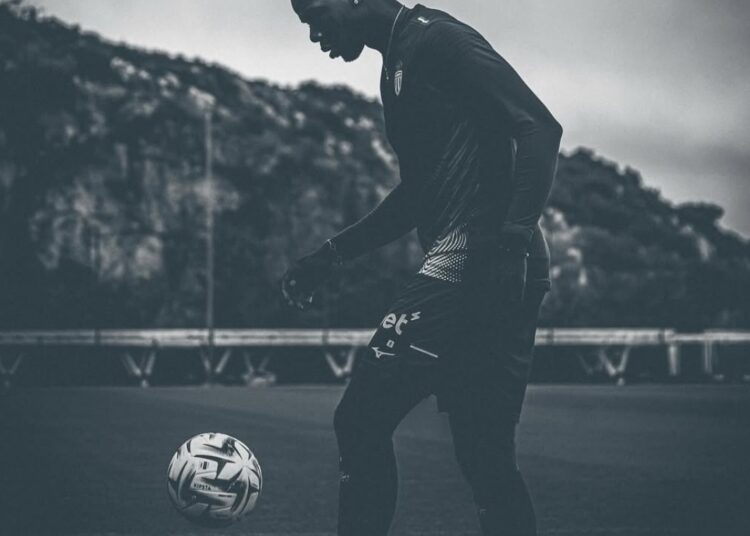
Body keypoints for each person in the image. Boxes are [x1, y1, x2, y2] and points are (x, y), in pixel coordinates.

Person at [283, 1, 563, 534]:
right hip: (487, 266)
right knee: (485, 459)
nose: (316, 35)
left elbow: (539, 128)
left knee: (360, 420)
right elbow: (419, 194)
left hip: (479, 263)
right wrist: (332, 254)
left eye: (316, 15)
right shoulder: (395, 67)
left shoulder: (438, 40)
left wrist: (509, 245)